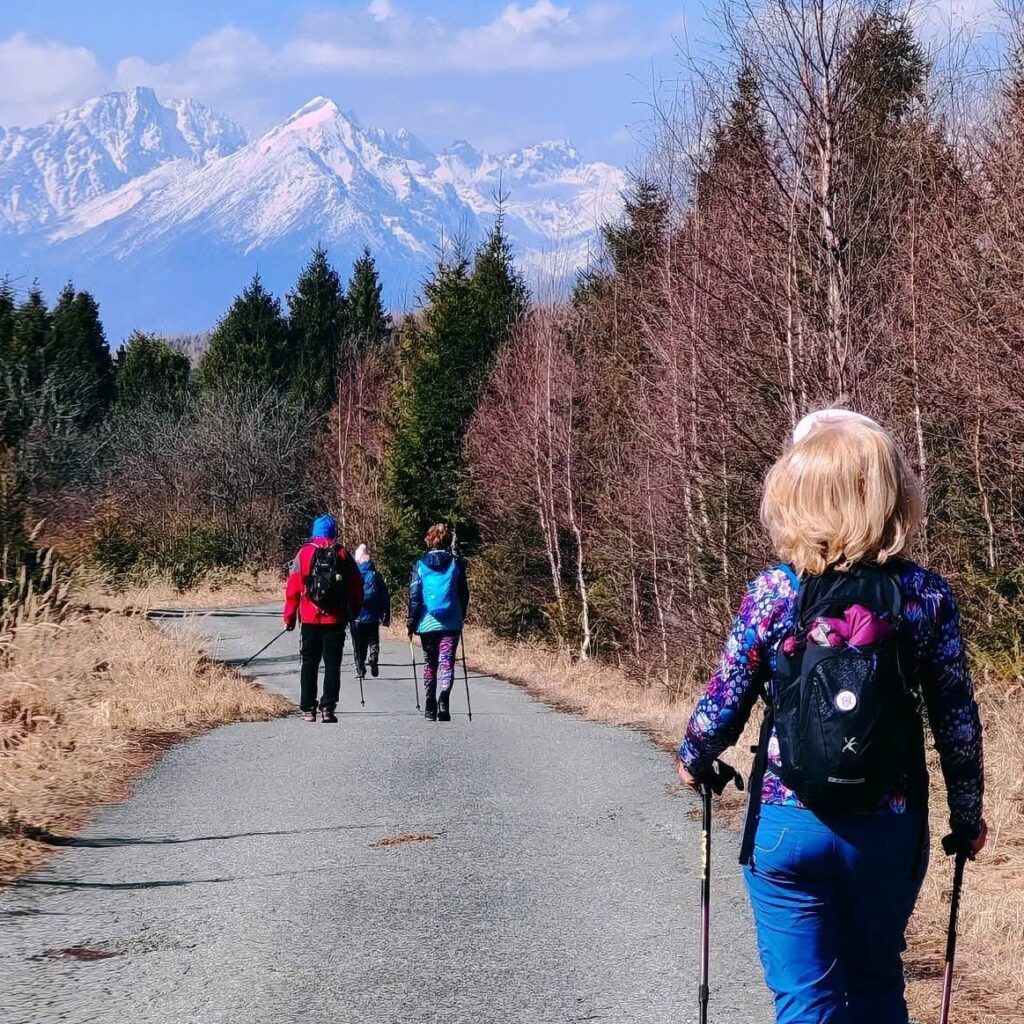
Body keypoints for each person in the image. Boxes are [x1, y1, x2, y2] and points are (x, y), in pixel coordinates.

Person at [675, 409, 985, 1024]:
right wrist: (968, 815)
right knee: (875, 986)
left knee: (804, 1000)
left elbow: (725, 697)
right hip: (889, 827)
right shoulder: (924, 597)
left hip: (788, 822)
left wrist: (695, 756)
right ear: (892, 494)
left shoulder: (774, 592)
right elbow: (956, 719)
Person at [283, 514, 363, 723]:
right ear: (334, 532)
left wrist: (289, 617)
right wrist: (354, 611)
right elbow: (357, 586)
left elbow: (293, 589)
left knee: (309, 662)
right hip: (335, 619)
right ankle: (328, 707)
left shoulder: (304, 553)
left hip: (309, 619)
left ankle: (308, 709)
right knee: (332, 664)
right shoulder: (342, 553)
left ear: (314, 531)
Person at [407, 523, 470, 722]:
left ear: (430, 540)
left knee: (429, 662)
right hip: (451, 621)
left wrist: (411, 622)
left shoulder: (420, 565)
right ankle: (444, 699)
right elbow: (463, 593)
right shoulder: (456, 563)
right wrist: (462, 615)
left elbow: (415, 595)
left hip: (427, 622)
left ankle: (429, 705)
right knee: (446, 661)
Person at [351, 543, 391, 680]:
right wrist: (386, 615)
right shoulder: (376, 575)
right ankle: (373, 656)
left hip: (357, 616)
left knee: (358, 645)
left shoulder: (354, 575)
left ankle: (360, 669)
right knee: (373, 640)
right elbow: (385, 596)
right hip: (373, 616)